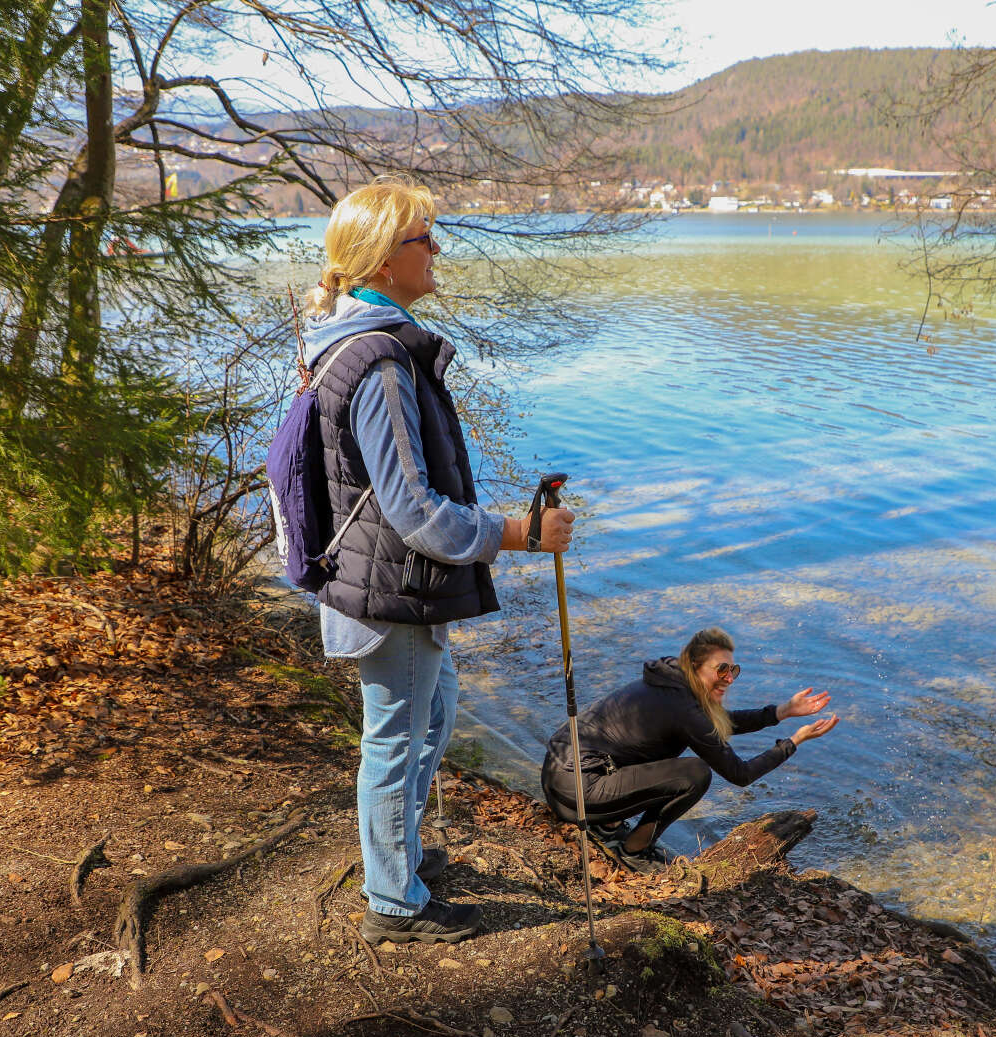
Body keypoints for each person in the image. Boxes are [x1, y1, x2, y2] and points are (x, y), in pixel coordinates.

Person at [301, 176, 573, 944]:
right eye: (427, 237)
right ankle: (395, 903)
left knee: (435, 716)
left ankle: (400, 858)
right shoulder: (381, 363)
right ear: (387, 260)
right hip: (395, 590)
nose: (439, 250)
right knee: (394, 739)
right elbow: (411, 510)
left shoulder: (354, 344)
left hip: (385, 579)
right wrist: (522, 532)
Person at [540, 627, 838, 873]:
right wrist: (793, 742)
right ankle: (634, 850)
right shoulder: (684, 708)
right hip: (578, 794)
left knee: (658, 757)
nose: (730, 678)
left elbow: (715, 725)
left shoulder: (670, 683)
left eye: (733, 669)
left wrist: (780, 712)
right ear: (695, 666)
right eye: (722, 669)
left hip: (559, 778)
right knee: (695, 773)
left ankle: (607, 825)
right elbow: (740, 773)